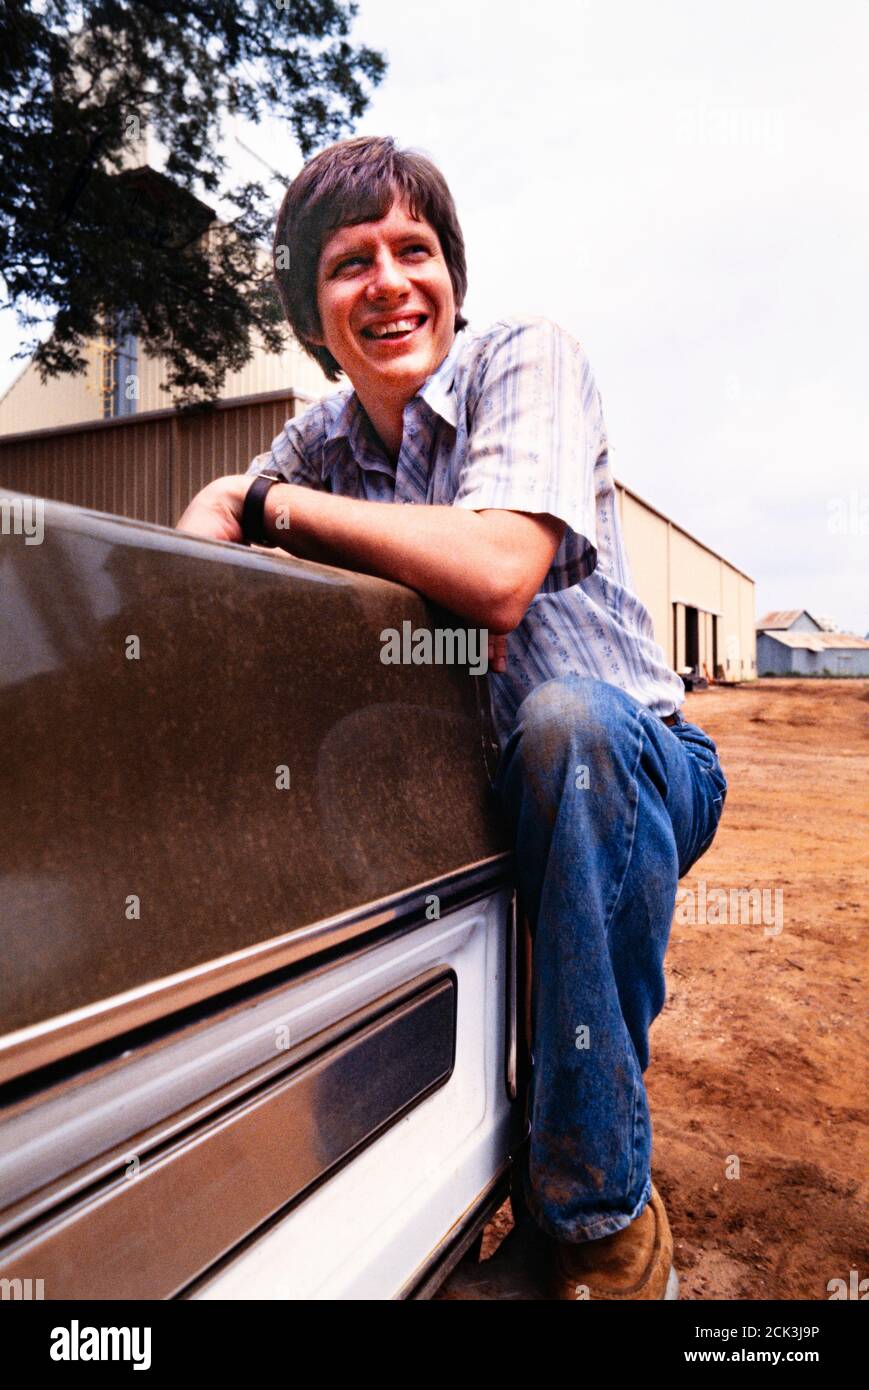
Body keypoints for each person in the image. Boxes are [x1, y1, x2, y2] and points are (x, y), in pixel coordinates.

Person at [176, 134, 728, 1301]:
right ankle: (387, 1155)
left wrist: (278, 506)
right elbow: (208, 551)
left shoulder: (525, 359)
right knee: (329, 753)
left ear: (452, 278)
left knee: (564, 727)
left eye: (411, 249)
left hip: (625, 759)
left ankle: (599, 1223)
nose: (386, 281)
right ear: (310, 309)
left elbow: (494, 576)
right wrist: (231, 510)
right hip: (470, 776)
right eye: (347, 263)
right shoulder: (320, 443)